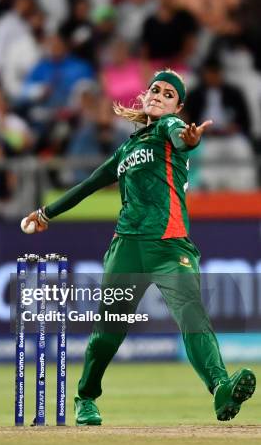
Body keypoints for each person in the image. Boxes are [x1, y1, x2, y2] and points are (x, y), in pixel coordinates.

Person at [21, 69, 256, 425]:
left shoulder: (169, 129)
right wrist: (45, 213)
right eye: (155, 90)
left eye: (169, 94)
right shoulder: (126, 149)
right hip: (127, 248)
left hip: (170, 246)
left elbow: (182, 139)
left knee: (192, 315)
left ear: (177, 107)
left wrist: (190, 139)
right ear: (144, 98)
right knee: (107, 333)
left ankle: (221, 388)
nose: (159, 95)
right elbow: (88, 185)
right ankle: (85, 398)